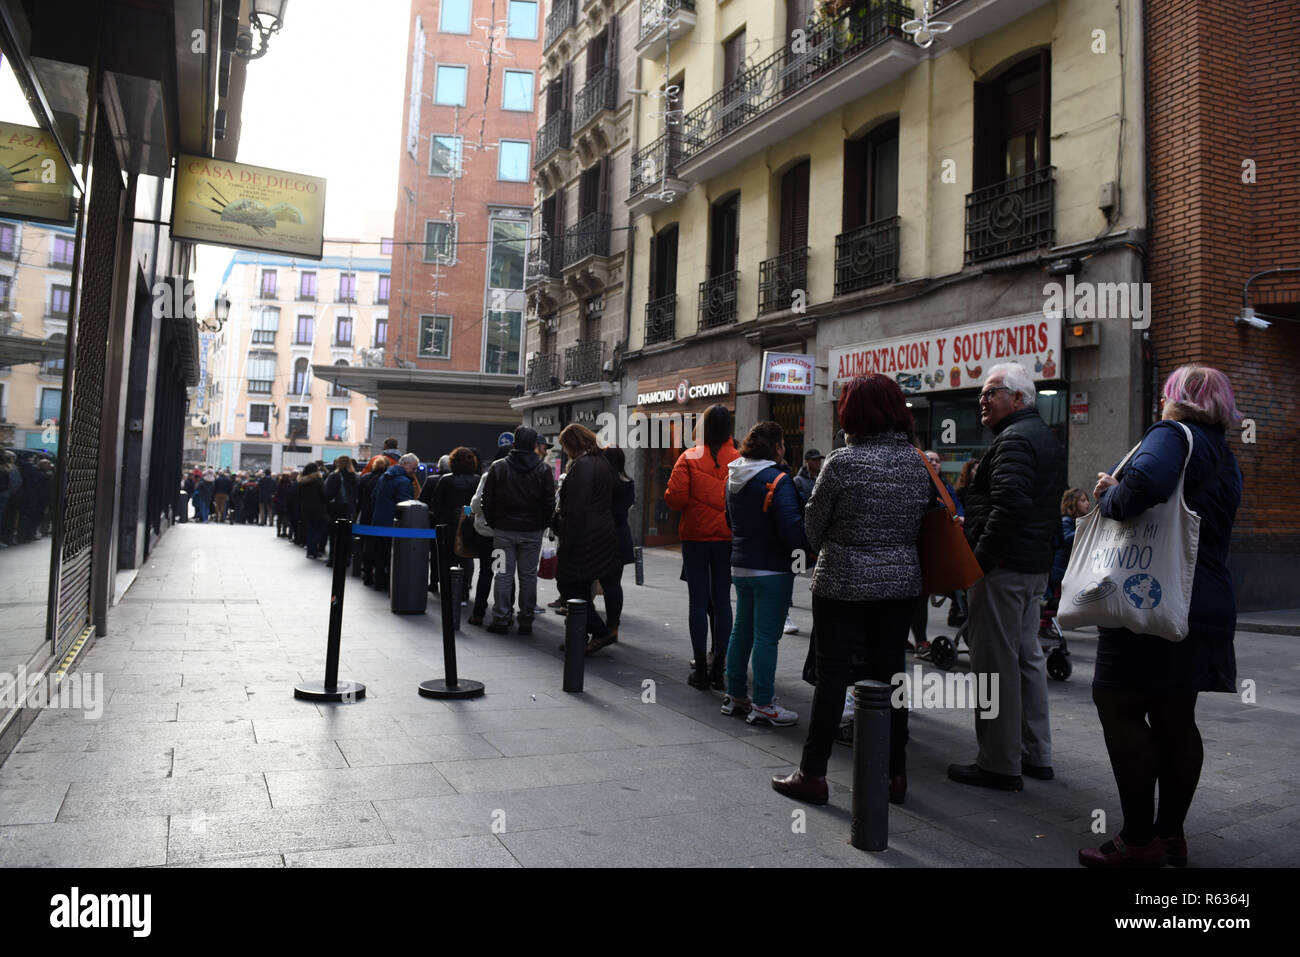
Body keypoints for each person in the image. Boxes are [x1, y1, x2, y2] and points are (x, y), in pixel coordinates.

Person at [1078, 365, 1243, 868]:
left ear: (1175, 398)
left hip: (1151, 597)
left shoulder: (1172, 434)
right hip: (1204, 600)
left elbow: (1143, 484)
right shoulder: (1225, 457)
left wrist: (1110, 494)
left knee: (1117, 701)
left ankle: (1138, 839)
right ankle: (1170, 837)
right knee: (1176, 718)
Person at [771, 374, 931, 805]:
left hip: (842, 581)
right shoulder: (918, 463)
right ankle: (894, 775)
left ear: (852, 414)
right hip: (899, 584)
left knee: (833, 679)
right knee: (891, 675)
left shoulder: (842, 463)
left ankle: (813, 774)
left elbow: (813, 528)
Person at [948, 361, 1067, 792]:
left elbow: (1010, 507)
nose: (983, 399)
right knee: (1026, 658)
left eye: (992, 391)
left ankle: (999, 762)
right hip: (1030, 565)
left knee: (995, 665)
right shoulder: (1041, 437)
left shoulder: (1015, 439)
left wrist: (977, 559)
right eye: (981, 393)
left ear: (1019, 399)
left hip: (1003, 569)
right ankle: (1037, 754)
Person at [719, 421, 810, 726]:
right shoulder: (778, 479)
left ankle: (734, 695)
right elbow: (792, 529)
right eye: (783, 443)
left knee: (741, 631)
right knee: (766, 637)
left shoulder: (732, 476)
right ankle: (763, 703)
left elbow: (729, 520)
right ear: (777, 447)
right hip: (771, 568)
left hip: (740, 565)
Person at [665, 404, 739, 689]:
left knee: (697, 602)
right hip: (727, 539)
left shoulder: (689, 457)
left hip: (695, 538)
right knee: (723, 601)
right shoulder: (740, 459)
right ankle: (719, 664)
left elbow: (675, 499)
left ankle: (699, 668)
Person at [480, 428, 556, 635]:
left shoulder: (498, 467)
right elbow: (549, 502)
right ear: (533, 446)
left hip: (503, 532)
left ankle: (501, 618)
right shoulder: (543, 470)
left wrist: (494, 522)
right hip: (532, 532)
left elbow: (487, 499)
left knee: (501, 574)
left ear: (514, 444)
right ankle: (526, 620)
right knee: (528, 576)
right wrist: (541, 524)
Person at [551, 424, 621, 646]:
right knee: (580, 585)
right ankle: (578, 636)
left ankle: (598, 632)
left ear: (573, 443)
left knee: (570, 584)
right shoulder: (601, 462)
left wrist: (564, 530)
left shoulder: (582, 466)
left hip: (583, 534)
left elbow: (577, 507)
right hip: (600, 530)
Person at [585, 446, 635, 654]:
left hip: (603, 535)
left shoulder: (604, 483)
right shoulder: (628, 483)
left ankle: (595, 628)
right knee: (614, 584)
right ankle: (613, 627)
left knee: (591, 581)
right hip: (622, 535)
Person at [421, 446, 482, 600]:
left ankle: (450, 587)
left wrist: (442, 518)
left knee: (449, 557)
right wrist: (468, 514)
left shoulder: (446, 479)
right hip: (469, 520)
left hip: (449, 521)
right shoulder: (477, 480)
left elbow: (436, 503)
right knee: (467, 555)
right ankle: (465, 589)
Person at [371, 452, 420, 590]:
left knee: (380, 554)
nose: (414, 471)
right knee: (394, 556)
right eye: (413, 468)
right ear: (404, 464)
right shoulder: (403, 481)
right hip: (393, 524)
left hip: (379, 521)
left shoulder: (384, 477)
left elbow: (373, 496)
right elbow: (405, 506)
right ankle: (391, 584)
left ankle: (379, 582)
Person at [1048, 488, 1090, 599]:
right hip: (1060, 573)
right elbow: (1067, 540)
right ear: (1073, 503)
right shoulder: (1066, 521)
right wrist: (1085, 528)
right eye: (1083, 500)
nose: (1088, 503)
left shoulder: (1075, 522)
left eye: (1087, 500)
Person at [323, 456, 358, 567]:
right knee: (347, 535)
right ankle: (346, 559)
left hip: (336, 509)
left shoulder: (334, 476)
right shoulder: (355, 477)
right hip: (349, 509)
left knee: (334, 536)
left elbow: (327, 494)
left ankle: (333, 559)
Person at [297, 463, 329, 559]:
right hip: (317, 508)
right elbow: (323, 494)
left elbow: (299, 496)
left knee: (310, 528)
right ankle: (314, 550)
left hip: (305, 508)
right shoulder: (318, 480)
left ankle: (310, 551)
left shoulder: (301, 482)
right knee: (319, 529)